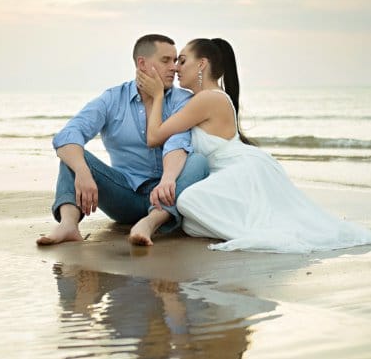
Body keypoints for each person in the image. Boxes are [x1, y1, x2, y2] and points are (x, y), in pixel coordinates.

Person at [132, 37, 371, 253]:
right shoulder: (203, 98)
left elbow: (155, 136)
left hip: (240, 170)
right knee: (191, 221)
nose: (176, 68)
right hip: (229, 171)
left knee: (188, 203)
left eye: (182, 61)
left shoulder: (208, 98)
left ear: (202, 64)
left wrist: (158, 95)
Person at [36, 34, 209, 246]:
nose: (173, 67)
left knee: (198, 161)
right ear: (142, 63)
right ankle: (68, 224)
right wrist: (82, 171)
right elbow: (69, 134)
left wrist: (167, 180)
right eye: (166, 60)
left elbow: (178, 142)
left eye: (175, 61)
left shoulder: (183, 100)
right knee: (73, 155)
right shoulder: (112, 99)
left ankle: (150, 223)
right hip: (124, 194)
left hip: (167, 195)